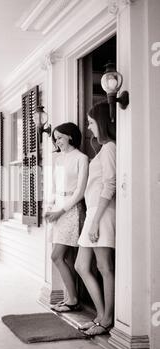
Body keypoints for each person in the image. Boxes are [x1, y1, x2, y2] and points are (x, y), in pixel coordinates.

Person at [75, 101, 116, 336]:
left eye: (91, 123)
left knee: (104, 266)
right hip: (93, 212)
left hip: (102, 213)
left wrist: (96, 220)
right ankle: (100, 315)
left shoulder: (110, 148)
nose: (89, 128)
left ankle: (106, 319)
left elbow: (109, 186)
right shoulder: (103, 149)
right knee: (81, 265)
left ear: (101, 123)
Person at [46, 123, 89, 313]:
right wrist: (50, 208)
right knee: (65, 258)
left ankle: (72, 299)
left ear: (70, 137)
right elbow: (55, 188)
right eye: (55, 138)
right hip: (57, 209)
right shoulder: (59, 159)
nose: (57, 141)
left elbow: (80, 192)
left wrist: (61, 211)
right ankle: (70, 297)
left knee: (56, 256)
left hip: (71, 210)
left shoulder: (82, 158)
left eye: (60, 137)